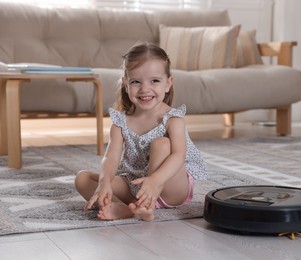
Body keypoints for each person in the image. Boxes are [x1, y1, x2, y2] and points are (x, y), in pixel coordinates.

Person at [74, 42, 207, 221]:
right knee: (83, 179)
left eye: (154, 81)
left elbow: (178, 156)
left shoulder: (173, 119)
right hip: (135, 184)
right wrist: (104, 182)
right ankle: (124, 208)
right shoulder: (121, 123)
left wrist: (155, 181)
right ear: (125, 85)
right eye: (136, 82)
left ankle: (147, 206)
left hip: (170, 186)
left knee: (162, 143)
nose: (145, 89)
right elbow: (111, 158)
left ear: (168, 83)